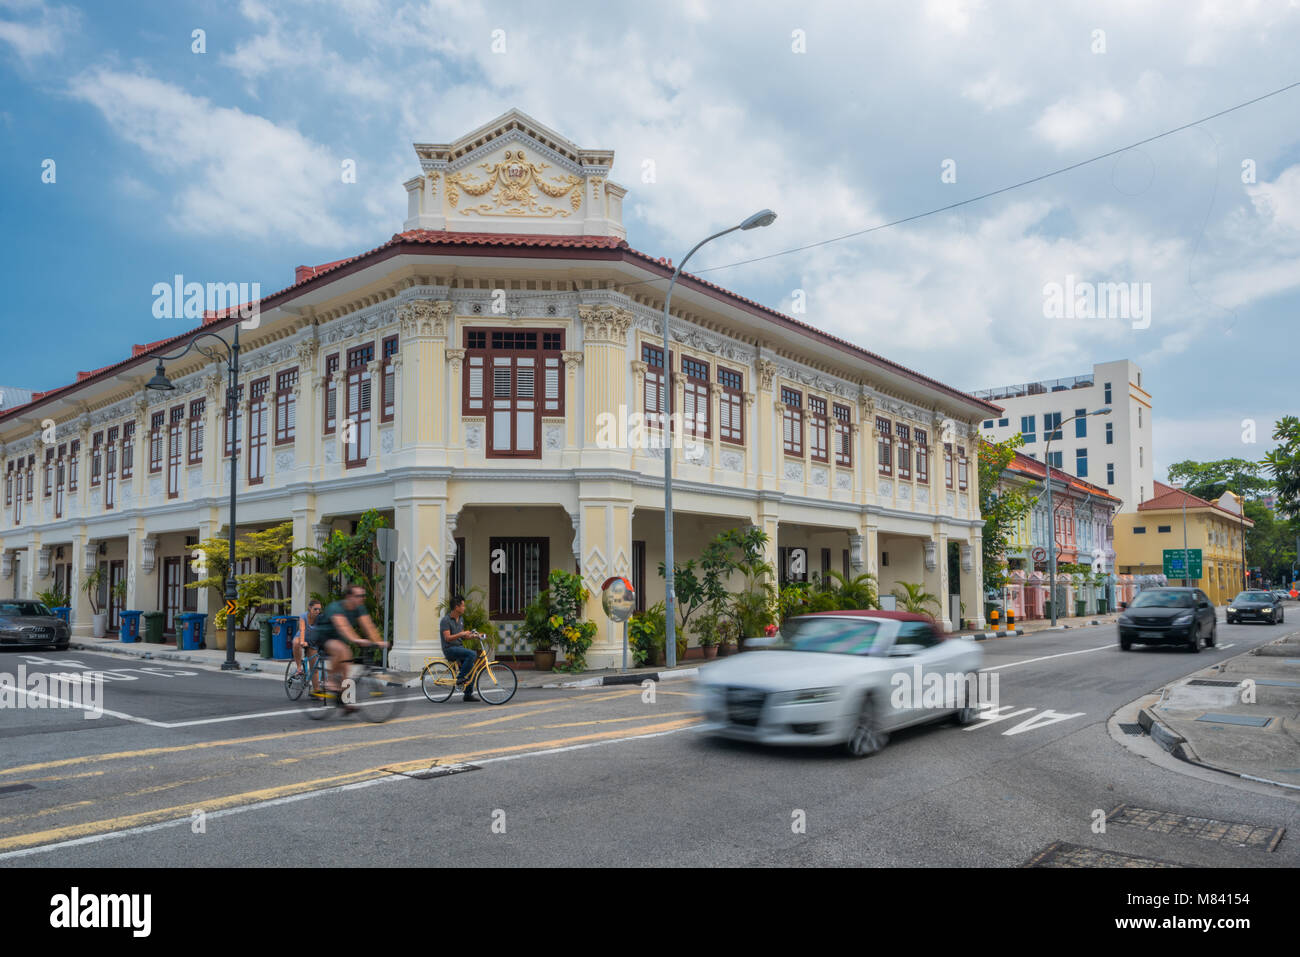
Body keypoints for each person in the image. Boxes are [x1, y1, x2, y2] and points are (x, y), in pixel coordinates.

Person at [313, 585, 388, 711]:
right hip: (324, 636)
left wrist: (379, 642)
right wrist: (357, 640)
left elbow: (368, 626)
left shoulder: (359, 608)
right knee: (343, 650)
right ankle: (329, 680)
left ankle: (344, 700)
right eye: (358, 596)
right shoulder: (335, 607)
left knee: (347, 664)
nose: (362, 599)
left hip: (340, 639)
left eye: (363, 596)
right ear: (349, 597)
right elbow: (343, 627)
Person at [440, 595, 481, 702]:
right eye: (463, 606)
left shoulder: (461, 619)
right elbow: (447, 638)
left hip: (459, 648)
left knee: (472, 668)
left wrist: (475, 635)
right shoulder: (446, 620)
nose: (464, 608)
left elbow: (463, 636)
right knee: (472, 654)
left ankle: (468, 695)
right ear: (457, 607)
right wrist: (461, 633)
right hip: (450, 649)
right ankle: (459, 678)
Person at [292, 599, 323, 692]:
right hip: (302, 638)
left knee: (314, 667)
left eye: (319, 609)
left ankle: (316, 690)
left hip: (312, 642)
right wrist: (302, 641)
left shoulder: (320, 618)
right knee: (296, 643)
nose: (317, 611)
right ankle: (298, 668)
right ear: (310, 608)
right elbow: (302, 629)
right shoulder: (303, 616)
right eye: (315, 609)